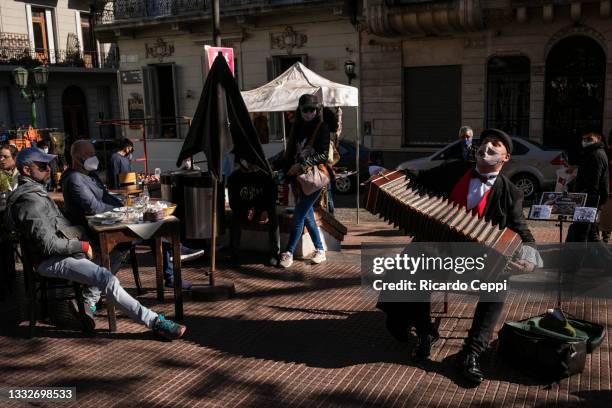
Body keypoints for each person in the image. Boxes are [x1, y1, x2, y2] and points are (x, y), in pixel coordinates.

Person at [378, 129, 540, 384]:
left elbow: (522, 231)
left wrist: (529, 256)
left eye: (494, 145)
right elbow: (416, 179)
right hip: (437, 251)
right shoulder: (454, 170)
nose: (486, 147)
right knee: (412, 263)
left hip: (474, 263)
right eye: (484, 142)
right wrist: (387, 177)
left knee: (498, 284)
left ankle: (472, 352)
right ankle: (425, 331)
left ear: (505, 157)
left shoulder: (511, 193)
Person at [5, 147, 186, 339]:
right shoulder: (31, 201)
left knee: (110, 259)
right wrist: (81, 246)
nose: (49, 169)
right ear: (26, 170)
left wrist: (82, 237)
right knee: (107, 279)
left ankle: (87, 303)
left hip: (61, 253)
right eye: (42, 166)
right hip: (50, 260)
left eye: (49, 165)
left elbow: (57, 228)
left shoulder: (35, 193)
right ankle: (155, 322)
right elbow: (48, 245)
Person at [61, 140, 196, 294]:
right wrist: (124, 210)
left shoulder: (90, 175)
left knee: (154, 226)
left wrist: (126, 206)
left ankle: (173, 262)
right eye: (90, 155)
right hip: (94, 231)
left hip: (107, 223)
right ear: (77, 158)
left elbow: (106, 196)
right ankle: (174, 258)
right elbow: (95, 207)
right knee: (150, 230)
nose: (95, 157)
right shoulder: (74, 179)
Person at [276, 94, 330, 268]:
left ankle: (289, 252)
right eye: (306, 110)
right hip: (296, 178)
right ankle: (320, 250)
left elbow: (323, 155)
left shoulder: (322, 127)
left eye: (312, 109)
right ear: (300, 110)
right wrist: (284, 169)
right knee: (307, 217)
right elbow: (290, 152)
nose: (309, 113)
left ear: (317, 110)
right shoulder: (296, 127)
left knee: (299, 215)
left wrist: (301, 165)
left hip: (314, 178)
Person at [228, 158, 280, 266]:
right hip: (243, 209)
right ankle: (234, 254)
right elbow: (233, 201)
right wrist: (245, 211)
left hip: (262, 209)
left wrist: (264, 211)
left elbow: (272, 198)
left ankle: (275, 254)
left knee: (273, 218)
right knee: (234, 220)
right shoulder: (234, 177)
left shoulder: (266, 176)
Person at [566, 132, 609, 243]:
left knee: (582, 234)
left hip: (589, 199)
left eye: (589, 138)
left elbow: (594, 181)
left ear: (597, 139)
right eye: (584, 138)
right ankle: (604, 259)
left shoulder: (596, 155)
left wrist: (582, 197)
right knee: (591, 234)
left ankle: (582, 259)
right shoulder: (591, 153)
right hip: (589, 197)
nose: (585, 141)